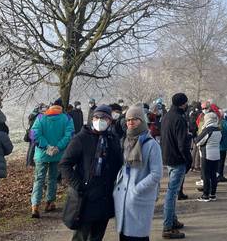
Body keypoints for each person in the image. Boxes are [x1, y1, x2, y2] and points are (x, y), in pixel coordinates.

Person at [59, 104, 122, 241]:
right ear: (91, 119)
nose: (100, 120)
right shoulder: (81, 139)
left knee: (97, 236)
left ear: (110, 121)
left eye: (104, 118)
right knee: (81, 236)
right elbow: (65, 164)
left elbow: (119, 165)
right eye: (96, 117)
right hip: (85, 198)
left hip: (105, 197)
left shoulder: (113, 140)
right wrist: (79, 185)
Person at [114, 105, 162, 241]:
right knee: (124, 236)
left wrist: (136, 190)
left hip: (140, 199)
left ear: (142, 121)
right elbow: (123, 168)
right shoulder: (126, 141)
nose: (130, 122)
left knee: (138, 237)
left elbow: (156, 174)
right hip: (124, 200)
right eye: (128, 120)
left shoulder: (151, 145)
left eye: (135, 119)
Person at [30, 100, 74, 218]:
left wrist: (46, 146)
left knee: (39, 179)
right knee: (53, 178)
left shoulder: (40, 118)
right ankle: (50, 203)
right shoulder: (67, 119)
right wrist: (58, 147)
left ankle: (35, 206)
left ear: (51, 106)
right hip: (57, 155)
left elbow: (34, 134)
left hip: (41, 154)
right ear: (61, 108)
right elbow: (69, 135)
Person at [161, 93, 192, 239]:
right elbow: (182, 143)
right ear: (183, 104)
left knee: (172, 191)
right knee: (171, 193)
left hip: (168, 157)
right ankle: (167, 226)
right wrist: (188, 159)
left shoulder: (167, 116)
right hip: (177, 158)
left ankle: (172, 219)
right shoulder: (179, 119)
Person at [195, 111, 222, 201]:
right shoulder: (218, 129)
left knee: (206, 175)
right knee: (213, 175)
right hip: (216, 155)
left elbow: (198, 141)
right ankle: (213, 194)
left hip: (207, 155)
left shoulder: (207, 130)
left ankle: (205, 195)